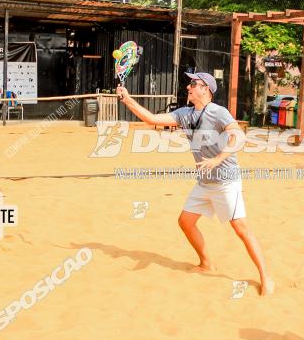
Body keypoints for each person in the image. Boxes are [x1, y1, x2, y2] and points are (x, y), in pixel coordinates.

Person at [116, 71, 274, 296]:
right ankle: (206, 262)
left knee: (241, 229)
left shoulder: (218, 113)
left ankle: (265, 277)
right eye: (189, 83)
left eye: (193, 83)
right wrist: (127, 99)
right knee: (185, 221)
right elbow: (152, 119)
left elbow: (238, 136)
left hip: (226, 181)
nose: (188, 87)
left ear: (206, 89)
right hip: (204, 181)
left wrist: (218, 159)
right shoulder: (185, 113)